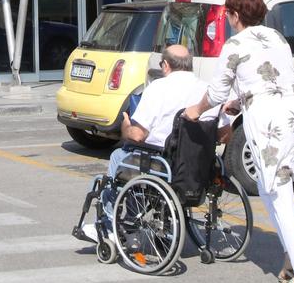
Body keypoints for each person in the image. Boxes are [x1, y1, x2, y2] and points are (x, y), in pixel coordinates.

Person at [184, 0, 294, 283]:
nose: (228, 18)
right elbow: (268, 80)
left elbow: (216, 92)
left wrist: (197, 109)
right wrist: (239, 102)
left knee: (279, 196)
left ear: (234, 15)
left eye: (228, 13)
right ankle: (292, 262)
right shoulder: (277, 38)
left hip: (269, 120)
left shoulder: (234, 44)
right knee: (274, 192)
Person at [80, 44, 230, 241]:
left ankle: (109, 226)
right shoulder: (208, 92)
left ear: (165, 65)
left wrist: (125, 126)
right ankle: (136, 219)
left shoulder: (158, 88)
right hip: (198, 165)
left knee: (120, 157)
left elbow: (138, 135)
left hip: (165, 163)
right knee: (136, 163)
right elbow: (224, 135)